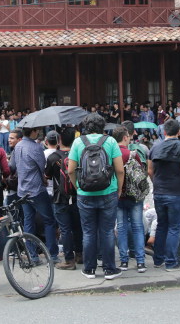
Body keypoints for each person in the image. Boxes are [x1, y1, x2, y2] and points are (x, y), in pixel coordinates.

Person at [68, 113, 124, 280]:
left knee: (88, 232)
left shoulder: (78, 142)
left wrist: (77, 186)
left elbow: (71, 170)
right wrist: (119, 189)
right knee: (107, 231)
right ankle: (109, 269)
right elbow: (120, 170)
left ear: (86, 126)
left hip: (85, 193)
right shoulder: (111, 141)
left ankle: (89, 269)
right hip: (108, 191)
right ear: (103, 126)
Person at [147, 119, 180, 271]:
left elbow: (149, 170)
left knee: (161, 225)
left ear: (164, 132)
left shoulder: (155, 147)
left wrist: (156, 184)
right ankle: (172, 262)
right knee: (174, 227)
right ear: (179, 132)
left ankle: (158, 259)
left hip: (159, 192)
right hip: (176, 192)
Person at [15, 126, 60, 264]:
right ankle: (52, 254)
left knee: (29, 221)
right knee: (49, 220)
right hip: (36, 188)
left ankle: (32, 255)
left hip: (22, 189)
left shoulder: (18, 146)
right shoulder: (36, 147)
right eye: (37, 131)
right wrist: (44, 179)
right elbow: (43, 167)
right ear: (33, 131)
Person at [45, 127, 82, 270]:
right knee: (78, 227)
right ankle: (80, 254)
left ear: (60, 140)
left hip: (60, 197)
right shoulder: (77, 154)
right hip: (77, 195)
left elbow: (47, 176)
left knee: (65, 229)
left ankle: (69, 260)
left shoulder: (53, 157)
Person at [112, 126, 146, 273]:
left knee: (121, 227)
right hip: (135, 196)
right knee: (138, 227)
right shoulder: (132, 154)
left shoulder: (112, 154)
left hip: (118, 195)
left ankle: (124, 261)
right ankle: (140, 261)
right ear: (125, 137)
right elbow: (141, 173)